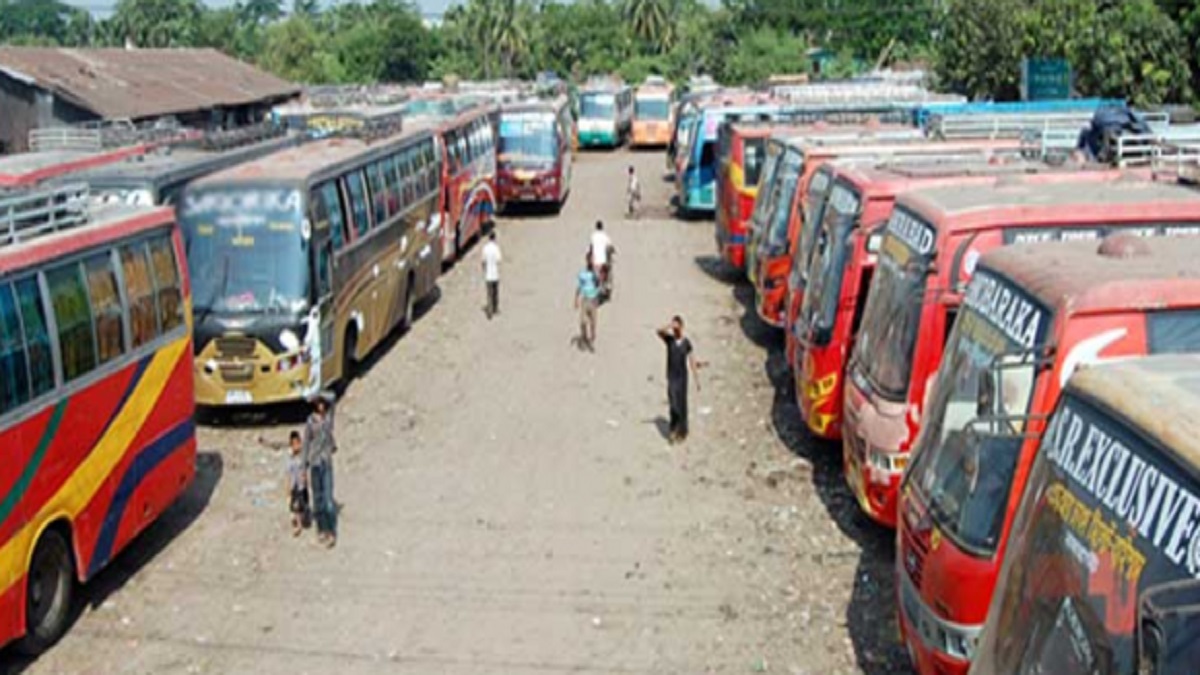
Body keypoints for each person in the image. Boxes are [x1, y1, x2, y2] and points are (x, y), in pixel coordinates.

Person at [656, 316, 703, 443]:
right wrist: (669, 326)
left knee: (681, 404)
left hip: (682, 378)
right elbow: (658, 331)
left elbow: (692, 362)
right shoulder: (669, 340)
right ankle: (673, 428)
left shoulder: (686, 343)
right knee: (673, 402)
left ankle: (682, 430)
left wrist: (697, 380)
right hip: (671, 376)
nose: (676, 329)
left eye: (678, 326)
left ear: (682, 327)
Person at [303, 393, 338, 548]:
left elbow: (333, 398)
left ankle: (331, 531)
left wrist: (320, 393)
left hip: (326, 462)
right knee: (318, 500)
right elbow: (305, 444)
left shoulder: (328, 420)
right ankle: (322, 530)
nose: (322, 406)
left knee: (328, 500)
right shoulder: (310, 422)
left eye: (323, 404)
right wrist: (304, 466)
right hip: (315, 464)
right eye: (319, 404)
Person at [575, 253, 601, 350]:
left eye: (593, 260)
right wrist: (576, 299)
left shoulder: (596, 273)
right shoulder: (583, 274)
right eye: (590, 260)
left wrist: (596, 274)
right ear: (587, 261)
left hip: (593, 300)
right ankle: (584, 338)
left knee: (593, 323)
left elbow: (599, 283)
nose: (591, 262)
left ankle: (592, 339)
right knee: (583, 322)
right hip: (585, 300)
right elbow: (579, 286)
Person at [286, 430, 309, 537]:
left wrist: (306, 480)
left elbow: (305, 469)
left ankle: (304, 518)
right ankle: (299, 525)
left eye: (297, 443)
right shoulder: (290, 459)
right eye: (293, 444)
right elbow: (289, 473)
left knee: (304, 503)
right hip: (294, 485)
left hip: (302, 485)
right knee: (296, 506)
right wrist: (288, 487)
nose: (296, 446)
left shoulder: (303, 457)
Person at [589, 220, 615, 300]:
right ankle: (607, 287)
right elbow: (610, 247)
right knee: (609, 270)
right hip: (603, 260)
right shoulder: (605, 236)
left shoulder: (593, 236)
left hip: (595, 260)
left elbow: (591, 247)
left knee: (593, 272)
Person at [481, 231, 502, 319]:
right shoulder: (496, 248)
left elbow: (483, 261)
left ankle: (489, 310)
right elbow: (499, 260)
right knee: (495, 293)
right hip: (495, 274)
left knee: (489, 293)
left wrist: (484, 269)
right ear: (494, 238)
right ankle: (495, 308)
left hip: (488, 275)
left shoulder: (485, 248)